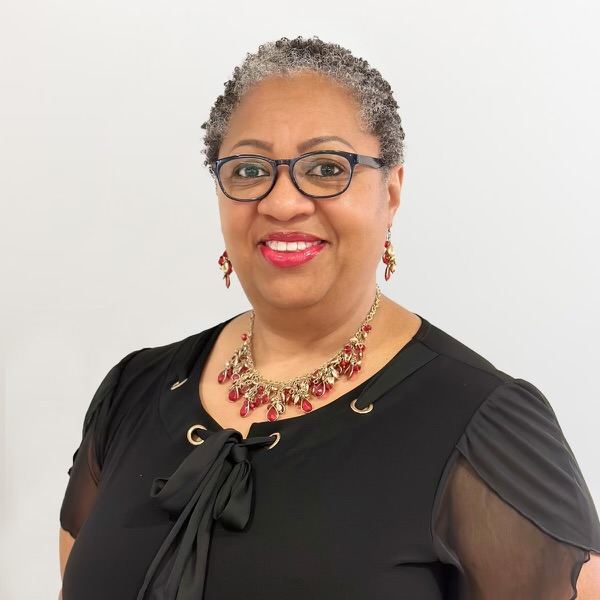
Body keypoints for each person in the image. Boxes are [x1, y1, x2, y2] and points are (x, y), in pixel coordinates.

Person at [58, 37, 600, 600]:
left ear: (392, 192)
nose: (282, 203)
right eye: (249, 169)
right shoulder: (133, 391)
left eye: (325, 168)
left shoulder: (483, 427)